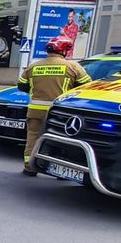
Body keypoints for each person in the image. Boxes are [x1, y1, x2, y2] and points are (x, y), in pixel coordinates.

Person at [18, 36, 91, 176]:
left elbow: (21, 85)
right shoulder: (73, 67)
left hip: (35, 111)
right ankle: (60, 169)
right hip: (58, 113)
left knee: (32, 138)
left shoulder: (34, 66)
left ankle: (29, 167)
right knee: (60, 140)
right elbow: (86, 86)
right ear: (64, 51)